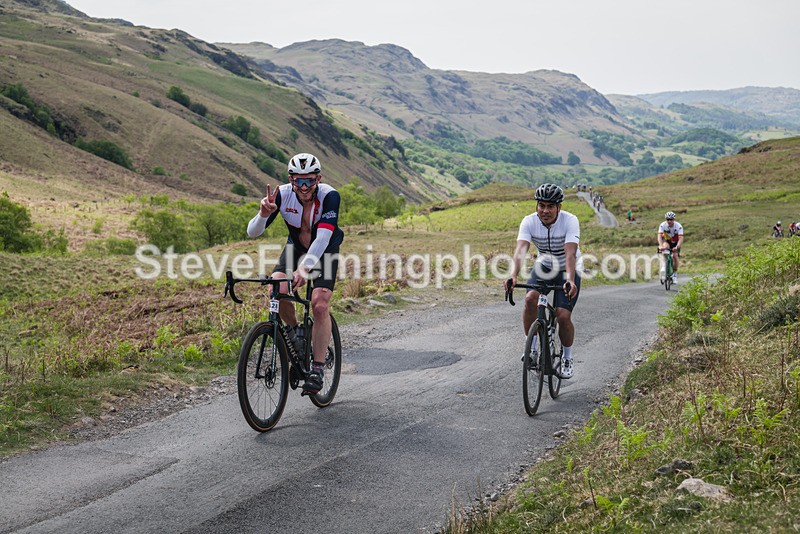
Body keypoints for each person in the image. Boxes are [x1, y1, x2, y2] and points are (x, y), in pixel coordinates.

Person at [247, 153, 344, 393]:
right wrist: (262, 214)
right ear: (291, 180)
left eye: (309, 181)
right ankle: (295, 338)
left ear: (318, 179)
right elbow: (252, 233)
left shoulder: (329, 196)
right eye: (298, 181)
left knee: (319, 304)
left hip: (325, 249)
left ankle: (318, 368)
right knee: (276, 289)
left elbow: (322, 237)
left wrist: (304, 267)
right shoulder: (281, 195)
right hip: (296, 247)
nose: (303, 187)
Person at [506, 183, 582, 379]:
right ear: (536, 206)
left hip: (568, 267)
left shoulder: (570, 221)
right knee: (530, 299)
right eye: (541, 205)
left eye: (550, 206)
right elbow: (521, 249)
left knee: (563, 315)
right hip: (545, 266)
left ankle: (567, 357)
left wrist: (571, 280)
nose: (545, 211)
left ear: (559, 207)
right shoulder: (529, 221)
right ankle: (531, 349)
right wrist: (513, 275)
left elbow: (570, 253)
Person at [657, 211, 684, 283]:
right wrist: (660, 246)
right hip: (667, 240)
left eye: (671, 219)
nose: (669, 221)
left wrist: (677, 246)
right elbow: (659, 236)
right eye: (667, 219)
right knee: (664, 248)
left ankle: (674, 274)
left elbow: (681, 238)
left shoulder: (678, 226)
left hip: (676, 242)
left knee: (675, 256)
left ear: (674, 219)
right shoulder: (662, 225)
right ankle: (665, 265)